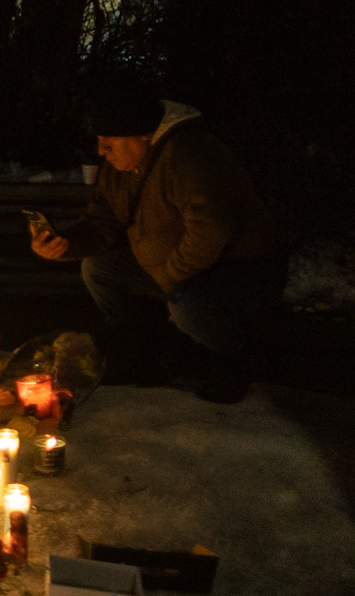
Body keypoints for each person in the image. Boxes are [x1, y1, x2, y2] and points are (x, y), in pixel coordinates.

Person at [30, 81, 284, 403]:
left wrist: (170, 277)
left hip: (239, 268)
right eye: (99, 140)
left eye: (110, 140)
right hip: (173, 265)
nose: (101, 150)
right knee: (99, 268)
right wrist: (64, 243)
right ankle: (143, 352)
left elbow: (211, 228)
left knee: (189, 306)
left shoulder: (189, 154)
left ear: (144, 135)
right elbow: (101, 224)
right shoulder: (118, 168)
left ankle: (237, 357)